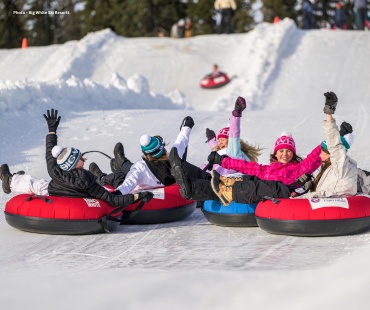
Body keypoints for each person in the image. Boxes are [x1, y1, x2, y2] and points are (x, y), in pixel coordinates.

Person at [211, 91, 358, 204]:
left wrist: (338, 136)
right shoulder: (267, 169)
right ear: (275, 154)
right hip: (265, 196)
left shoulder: (300, 169)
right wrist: (222, 160)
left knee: (267, 187)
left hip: (287, 196)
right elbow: (246, 166)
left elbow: (318, 152)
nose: (285, 154)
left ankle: (229, 193)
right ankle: (225, 186)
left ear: (293, 154)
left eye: (288, 151)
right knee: (250, 176)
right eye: (281, 151)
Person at [0, 109, 153, 207]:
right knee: (104, 188)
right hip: (78, 196)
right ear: (74, 163)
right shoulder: (88, 182)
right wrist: (138, 196)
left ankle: (10, 180)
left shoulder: (56, 172)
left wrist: (51, 131)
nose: (84, 158)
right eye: (81, 157)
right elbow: (113, 201)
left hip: (54, 192)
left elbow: (49, 156)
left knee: (35, 184)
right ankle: (13, 180)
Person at [89, 116, 196, 195]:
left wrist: (117, 193)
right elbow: (181, 142)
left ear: (146, 153)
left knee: (118, 176)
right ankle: (121, 162)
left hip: (140, 190)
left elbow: (129, 182)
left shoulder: (141, 167)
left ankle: (100, 176)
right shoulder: (174, 158)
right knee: (130, 169)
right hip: (165, 185)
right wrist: (187, 127)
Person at [203, 96, 262, 176]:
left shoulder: (233, 152)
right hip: (210, 178)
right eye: (219, 141)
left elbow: (234, 132)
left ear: (230, 141)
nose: (220, 143)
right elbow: (216, 150)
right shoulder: (222, 152)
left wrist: (236, 114)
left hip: (224, 182)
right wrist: (211, 140)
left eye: (223, 140)